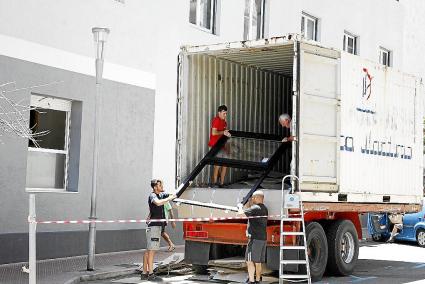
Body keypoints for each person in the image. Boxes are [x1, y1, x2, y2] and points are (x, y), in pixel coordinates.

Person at [141, 179, 176, 281]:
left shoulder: (161, 194)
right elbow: (158, 203)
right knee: (151, 251)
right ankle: (151, 274)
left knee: (148, 250)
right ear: (155, 187)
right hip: (154, 227)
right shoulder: (153, 196)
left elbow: (172, 194)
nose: (162, 187)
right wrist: (169, 198)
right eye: (160, 185)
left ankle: (144, 273)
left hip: (156, 227)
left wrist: (172, 196)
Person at [237, 191, 268, 284]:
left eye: (253, 198)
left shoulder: (255, 208)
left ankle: (251, 281)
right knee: (258, 262)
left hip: (254, 239)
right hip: (262, 238)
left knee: (249, 261)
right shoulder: (264, 208)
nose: (252, 199)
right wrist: (248, 204)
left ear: (257, 198)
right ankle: (258, 280)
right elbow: (249, 213)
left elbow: (240, 214)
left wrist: (240, 206)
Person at [208, 105, 231, 187]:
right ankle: (214, 183)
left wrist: (226, 134)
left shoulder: (224, 122)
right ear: (219, 113)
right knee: (217, 165)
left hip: (223, 146)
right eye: (224, 113)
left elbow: (224, 132)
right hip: (215, 146)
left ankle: (221, 183)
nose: (225, 115)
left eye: (226, 113)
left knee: (225, 164)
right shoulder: (216, 120)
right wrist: (223, 132)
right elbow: (214, 133)